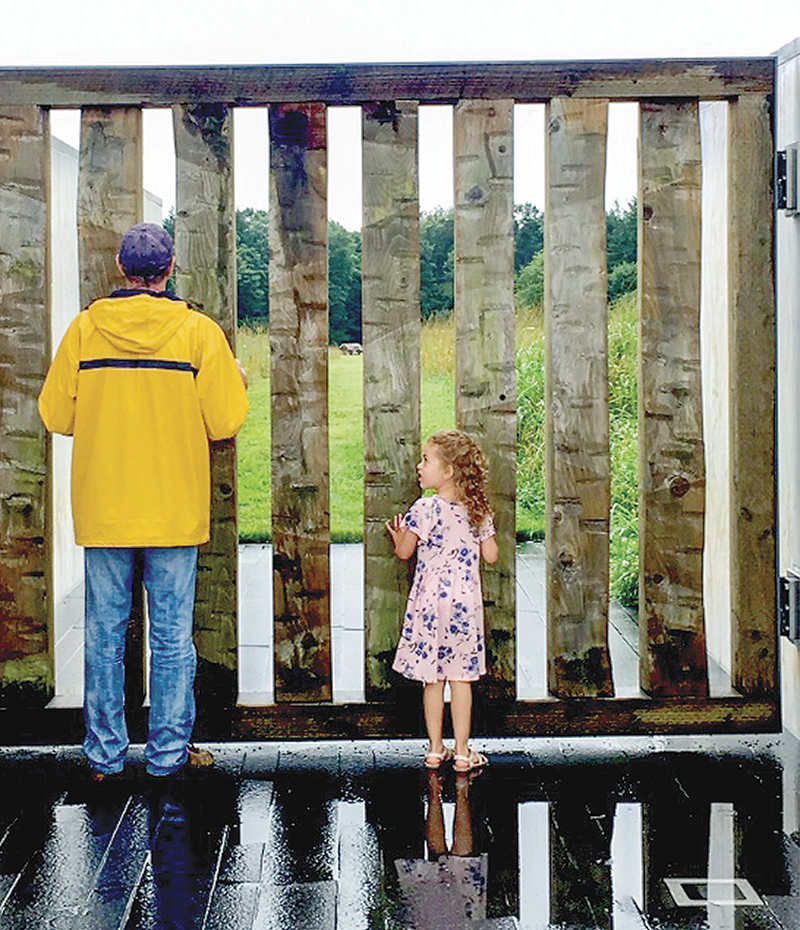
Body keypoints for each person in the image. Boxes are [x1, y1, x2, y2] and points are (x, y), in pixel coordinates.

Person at [38, 222, 248, 781]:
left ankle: (104, 756)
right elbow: (225, 420)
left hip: (105, 506)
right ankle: (168, 756)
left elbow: (56, 414)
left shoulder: (85, 331)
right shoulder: (198, 333)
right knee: (172, 638)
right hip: (174, 509)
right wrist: (236, 379)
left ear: (120, 266)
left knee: (104, 636)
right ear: (170, 269)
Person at [386, 429, 499, 773]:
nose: (419, 466)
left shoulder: (423, 508)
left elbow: (405, 552)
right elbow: (491, 555)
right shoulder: (477, 510)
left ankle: (435, 749)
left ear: (448, 471)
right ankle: (462, 753)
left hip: (429, 605)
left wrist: (398, 537)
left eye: (426, 460)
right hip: (463, 605)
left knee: (432, 679)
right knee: (461, 679)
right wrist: (486, 529)